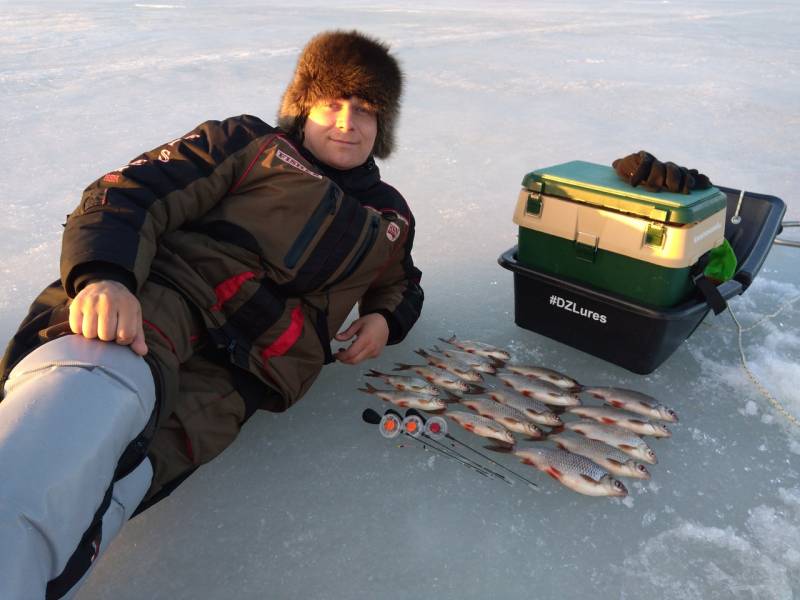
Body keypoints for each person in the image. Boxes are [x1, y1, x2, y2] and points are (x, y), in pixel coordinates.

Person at [0, 30, 423, 599]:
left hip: (245, 376)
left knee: (126, 482)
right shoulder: (250, 143)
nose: (347, 121)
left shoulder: (389, 215)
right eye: (332, 102)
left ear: (383, 126)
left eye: (366, 109)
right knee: (66, 430)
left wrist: (384, 319)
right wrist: (105, 275)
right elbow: (128, 192)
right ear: (303, 107)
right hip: (164, 300)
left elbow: (402, 283)